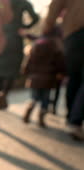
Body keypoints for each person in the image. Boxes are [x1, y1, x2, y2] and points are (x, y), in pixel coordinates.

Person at [44, 0, 84, 140]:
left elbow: (55, 5)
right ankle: (75, 120)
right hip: (74, 32)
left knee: (74, 77)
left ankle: (71, 118)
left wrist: (47, 26)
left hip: (72, 33)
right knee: (76, 78)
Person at [0, 0, 40, 110]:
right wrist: (24, 26)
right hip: (15, 37)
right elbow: (35, 18)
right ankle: (4, 93)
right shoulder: (23, 3)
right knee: (13, 69)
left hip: (1, 36)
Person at [22, 27, 66, 128]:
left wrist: (25, 71)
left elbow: (28, 61)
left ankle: (30, 106)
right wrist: (62, 73)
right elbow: (60, 62)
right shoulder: (55, 46)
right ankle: (41, 116)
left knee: (34, 97)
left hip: (34, 78)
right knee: (45, 99)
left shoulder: (36, 45)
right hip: (48, 78)